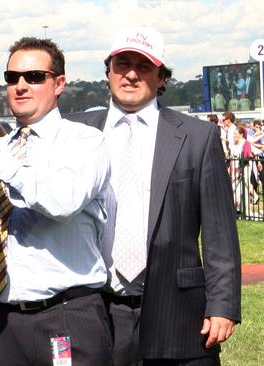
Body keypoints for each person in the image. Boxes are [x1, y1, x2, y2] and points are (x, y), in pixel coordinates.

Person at [68, 26, 241, 365]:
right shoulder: (76, 132)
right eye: (122, 64)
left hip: (179, 314)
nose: (131, 74)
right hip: (96, 312)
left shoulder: (198, 136)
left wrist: (223, 305)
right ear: (108, 72)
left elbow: (220, 233)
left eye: (143, 66)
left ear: (162, 78)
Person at [0, 37, 112, 365]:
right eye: (12, 78)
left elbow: (63, 202)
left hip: (64, 315)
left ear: (59, 83)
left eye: (34, 77)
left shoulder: (84, 141)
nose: (21, 86)